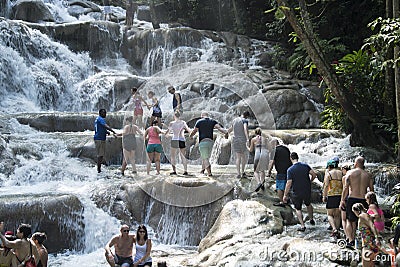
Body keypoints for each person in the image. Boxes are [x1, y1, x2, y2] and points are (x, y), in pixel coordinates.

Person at [340, 156, 374, 248]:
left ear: (356, 163)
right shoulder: (368, 175)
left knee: (349, 220)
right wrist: (372, 203)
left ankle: (351, 240)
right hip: (363, 199)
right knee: (360, 219)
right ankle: (360, 239)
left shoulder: (350, 173)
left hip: (352, 198)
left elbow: (346, 188)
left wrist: (342, 200)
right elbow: (371, 190)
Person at [283, 152, 317, 232]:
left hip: (296, 191)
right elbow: (314, 174)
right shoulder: (305, 166)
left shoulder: (290, 170)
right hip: (306, 189)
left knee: (298, 208)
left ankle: (302, 225)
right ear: (298, 157)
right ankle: (311, 219)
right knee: (308, 204)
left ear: (291, 158)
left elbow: (289, 183)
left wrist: (285, 194)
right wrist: (310, 181)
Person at [189, 112, 228, 177]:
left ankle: (209, 173)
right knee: (205, 157)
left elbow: (194, 131)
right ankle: (202, 170)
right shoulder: (212, 121)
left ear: (202, 116)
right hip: (210, 142)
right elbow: (220, 128)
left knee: (205, 158)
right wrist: (226, 133)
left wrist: (190, 136)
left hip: (203, 142)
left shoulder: (199, 121)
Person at [165, 111, 191, 175]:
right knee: (183, 156)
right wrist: (191, 135)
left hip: (174, 139)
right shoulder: (183, 122)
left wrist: (166, 135)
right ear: (180, 116)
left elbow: (167, 133)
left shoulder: (171, 123)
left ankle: (174, 171)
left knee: (173, 156)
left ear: (174, 116)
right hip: (182, 139)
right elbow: (189, 130)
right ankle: (185, 171)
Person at [322, 159, 343, 238]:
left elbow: (326, 186)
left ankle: (334, 229)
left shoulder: (329, 174)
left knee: (330, 214)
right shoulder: (341, 173)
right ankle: (337, 230)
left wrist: (324, 196)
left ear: (329, 167)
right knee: (337, 215)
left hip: (331, 195)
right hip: (340, 195)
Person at [268, 139, 292, 207]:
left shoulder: (274, 151)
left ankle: (282, 202)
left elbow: (272, 162)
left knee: (279, 187)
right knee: (286, 186)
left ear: (273, 144)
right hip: (289, 170)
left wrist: (269, 172)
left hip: (281, 171)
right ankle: (287, 199)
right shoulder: (286, 149)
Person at [227, 111, 250, 178]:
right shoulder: (244, 120)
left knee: (238, 157)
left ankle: (238, 173)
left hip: (235, 139)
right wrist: (248, 139)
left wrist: (226, 133)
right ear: (246, 116)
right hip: (242, 140)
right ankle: (243, 172)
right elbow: (245, 129)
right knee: (243, 156)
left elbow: (230, 129)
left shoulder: (234, 120)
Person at [94, 109, 117, 173]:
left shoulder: (97, 119)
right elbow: (105, 126)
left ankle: (100, 168)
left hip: (99, 138)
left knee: (101, 154)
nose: (105, 114)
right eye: (104, 113)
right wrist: (113, 131)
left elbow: (100, 128)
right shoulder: (100, 119)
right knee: (100, 155)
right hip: (99, 139)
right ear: (100, 113)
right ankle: (99, 170)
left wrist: (106, 132)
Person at [247, 128, 269, 192]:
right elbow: (269, 148)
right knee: (262, 170)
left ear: (255, 133)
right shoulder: (265, 139)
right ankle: (262, 183)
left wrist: (246, 147)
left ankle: (259, 182)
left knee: (256, 171)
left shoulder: (253, 139)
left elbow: (251, 150)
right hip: (264, 153)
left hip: (258, 153)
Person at [340, 163, 352, 242]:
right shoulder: (353, 176)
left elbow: (345, 189)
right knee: (351, 220)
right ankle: (352, 236)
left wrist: (342, 200)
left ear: (344, 169)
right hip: (352, 197)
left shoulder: (345, 177)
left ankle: (347, 236)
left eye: (342, 170)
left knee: (344, 219)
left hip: (346, 198)